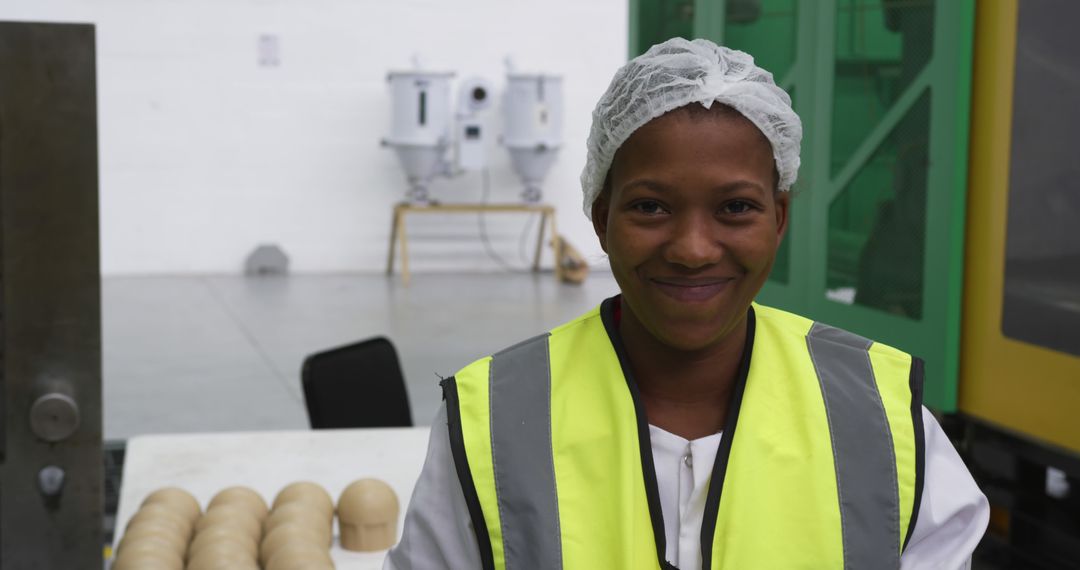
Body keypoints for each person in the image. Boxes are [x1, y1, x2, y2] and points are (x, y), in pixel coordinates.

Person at [384, 38, 988, 570]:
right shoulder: (492, 420)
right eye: (650, 207)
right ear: (601, 218)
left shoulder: (884, 423)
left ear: (778, 218)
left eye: (735, 208)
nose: (694, 250)